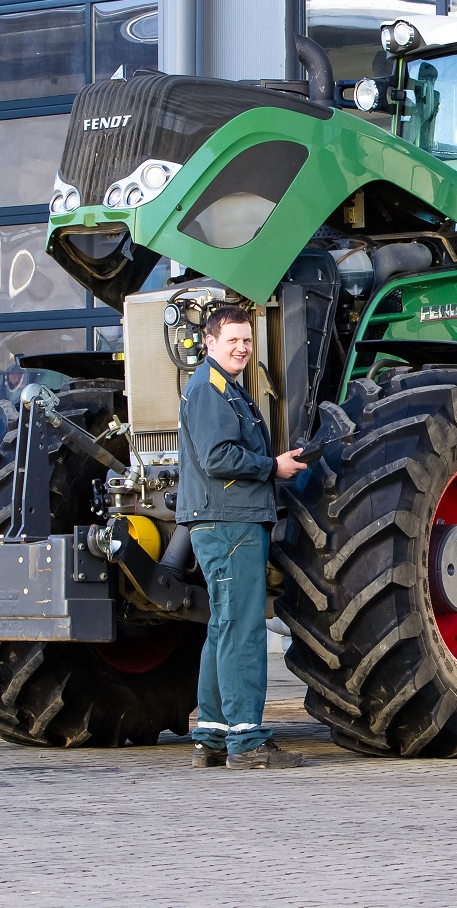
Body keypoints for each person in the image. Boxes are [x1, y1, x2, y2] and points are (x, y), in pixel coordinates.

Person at [177, 304, 308, 770]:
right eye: (232, 340)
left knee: (223, 627)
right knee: (244, 631)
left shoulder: (223, 388)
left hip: (220, 520)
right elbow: (219, 457)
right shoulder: (212, 390)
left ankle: (211, 737)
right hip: (231, 522)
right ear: (209, 343)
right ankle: (247, 742)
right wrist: (273, 467)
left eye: (247, 340)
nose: (242, 348)